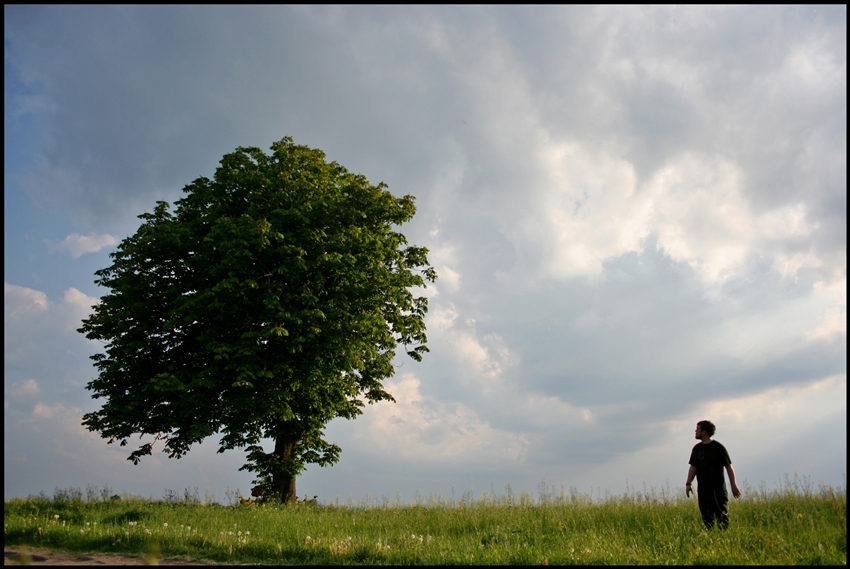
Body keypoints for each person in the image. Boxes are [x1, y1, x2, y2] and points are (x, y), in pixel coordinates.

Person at [685, 420, 741, 529]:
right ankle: (711, 538)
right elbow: (693, 467)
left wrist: (734, 486)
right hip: (702, 490)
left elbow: (729, 467)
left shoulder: (718, 448)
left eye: (698, 429)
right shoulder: (697, 449)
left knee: (721, 517)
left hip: (717, 490)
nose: (695, 431)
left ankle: (723, 538)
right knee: (707, 518)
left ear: (704, 432)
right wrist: (688, 483)